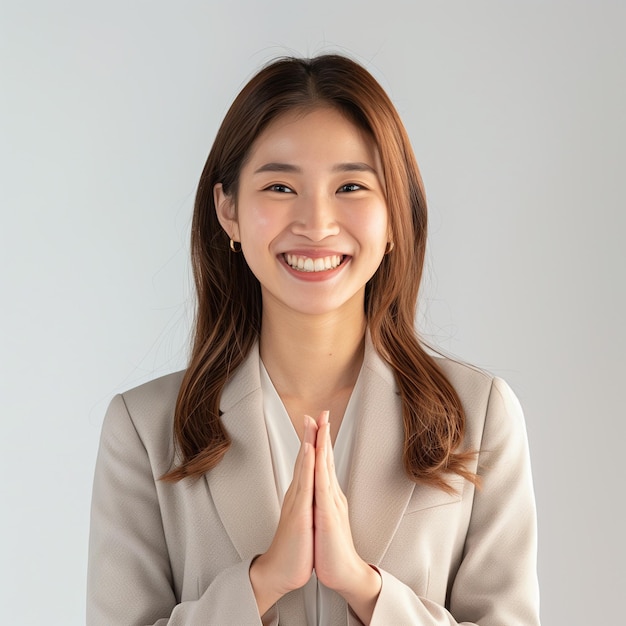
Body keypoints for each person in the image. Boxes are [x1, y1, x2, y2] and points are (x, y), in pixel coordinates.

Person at [87, 53, 540, 625]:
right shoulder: (143, 429)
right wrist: (262, 582)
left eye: (351, 185)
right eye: (280, 186)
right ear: (227, 209)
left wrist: (365, 588)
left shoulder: (479, 415)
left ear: (396, 213)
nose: (316, 222)